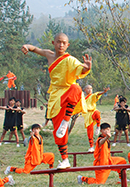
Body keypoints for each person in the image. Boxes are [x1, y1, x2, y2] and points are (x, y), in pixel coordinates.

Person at [21, 33, 91, 169]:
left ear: (68, 45)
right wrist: (27, 46)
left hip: (69, 92)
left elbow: (80, 68)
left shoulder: (70, 59)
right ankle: (65, 159)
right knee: (58, 133)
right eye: (59, 42)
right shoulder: (49, 54)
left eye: (64, 43)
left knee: (76, 87)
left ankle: (66, 120)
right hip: (55, 96)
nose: (61, 45)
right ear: (53, 43)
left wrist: (87, 68)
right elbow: (35, 49)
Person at [83, 85, 109, 152]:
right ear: (85, 89)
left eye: (91, 88)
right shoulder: (82, 97)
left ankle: (98, 126)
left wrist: (103, 92)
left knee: (97, 113)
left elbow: (97, 94)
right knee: (89, 131)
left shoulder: (92, 96)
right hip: (87, 115)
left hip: (93, 112)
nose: (90, 90)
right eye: (88, 88)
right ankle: (91, 146)